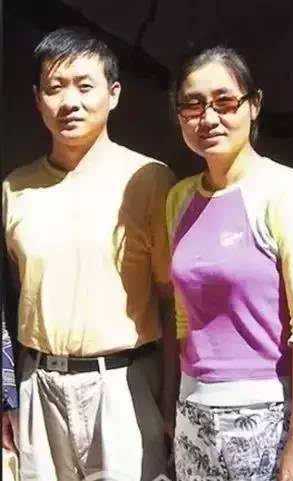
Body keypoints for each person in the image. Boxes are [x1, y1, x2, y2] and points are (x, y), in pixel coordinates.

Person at [2, 27, 176, 481]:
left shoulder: (149, 180)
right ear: (37, 99)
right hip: (37, 383)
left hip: (125, 384)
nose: (69, 102)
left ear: (113, 94)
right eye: (55, 88)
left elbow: (173, 301)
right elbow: (12, 296)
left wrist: (171, 396)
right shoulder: (15, 188)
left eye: (84, 86)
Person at [166, 46, 293, 481]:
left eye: (225, 102)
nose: (208, 118)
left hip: (271, 415)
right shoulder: (179, 199)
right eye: (193, 104)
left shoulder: (286, 192)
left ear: (254, 105)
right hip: (196, 416)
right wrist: (178, 407)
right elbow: (184, 318)